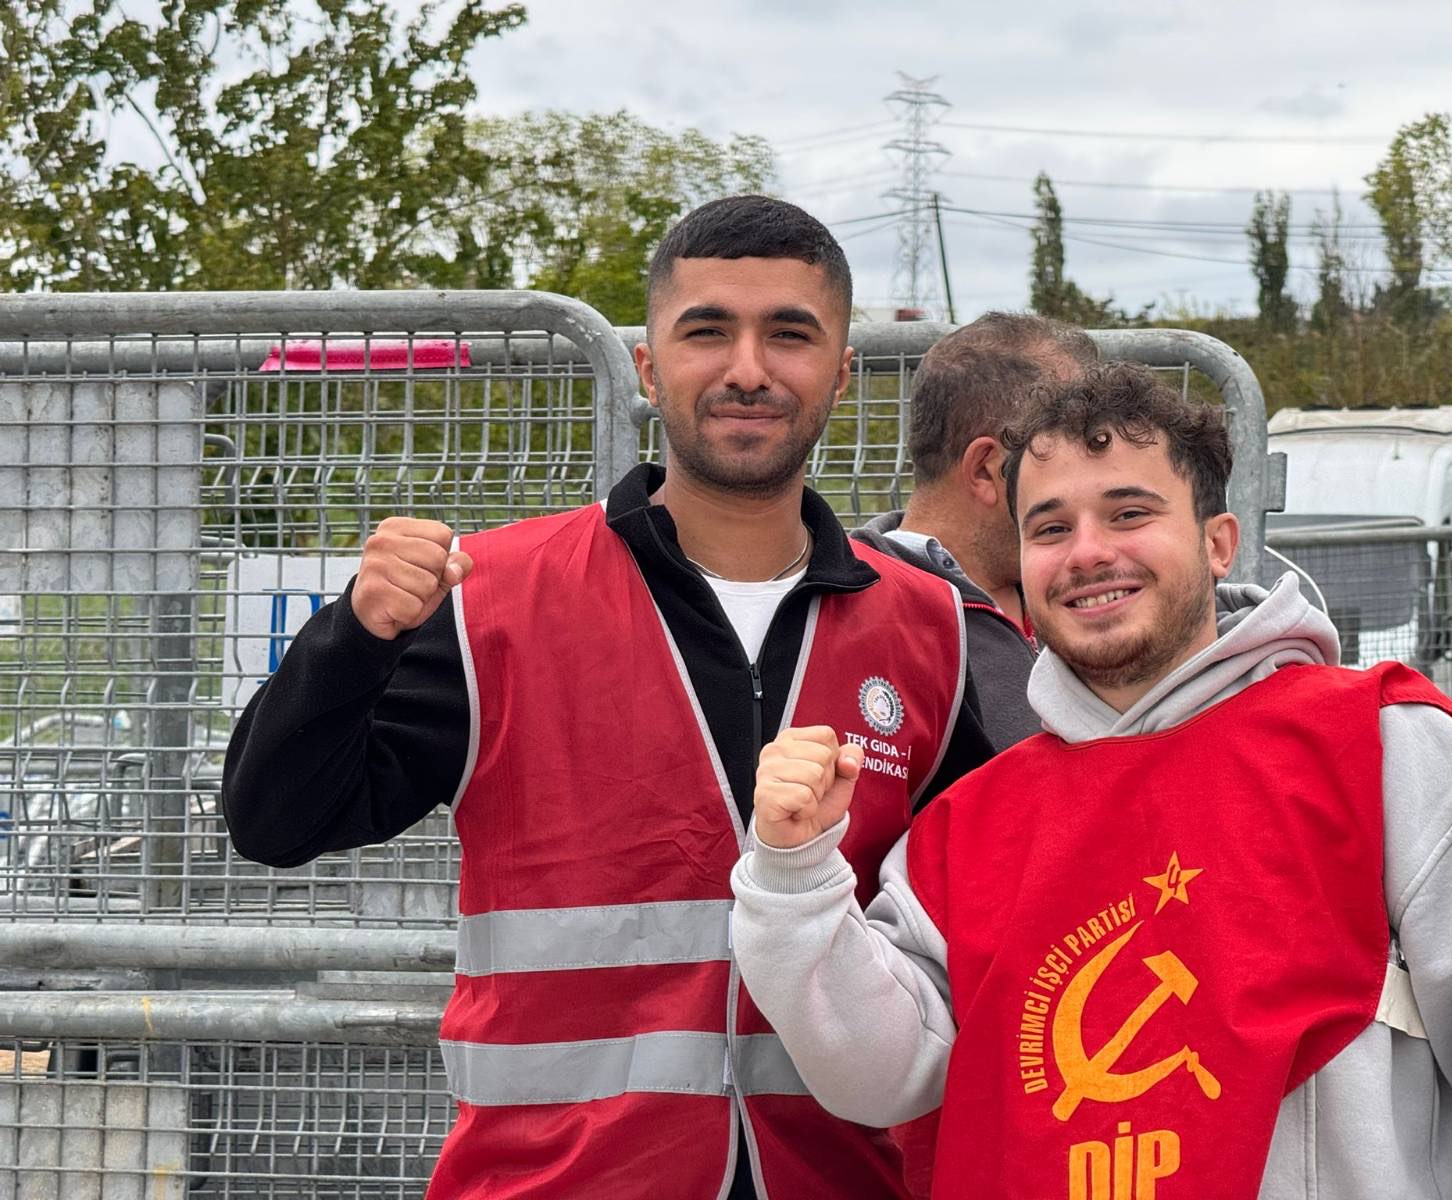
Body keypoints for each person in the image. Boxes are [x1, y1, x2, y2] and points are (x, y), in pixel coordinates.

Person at [222, 194, 994, 1200]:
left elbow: (991, 931)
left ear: (842, 372)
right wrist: (352, 636)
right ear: (646, 365)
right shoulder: (490, 599)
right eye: (706, 330)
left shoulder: (931, 626)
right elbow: (274, 822)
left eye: (789, 336)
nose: (748, 369)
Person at [732, 363, 1452, 1198]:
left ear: (1219, 543)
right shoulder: (972, 827)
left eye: (1129, 512)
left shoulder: (1380, 744)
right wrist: (795, 874)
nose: (1089, 553)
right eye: (1051, 528)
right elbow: (879, 1077)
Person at [853, 313, 1098, 749]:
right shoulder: (852, 617)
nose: (1094, 476)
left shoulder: (1080, 588)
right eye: (1074, 450)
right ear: (989, 470)